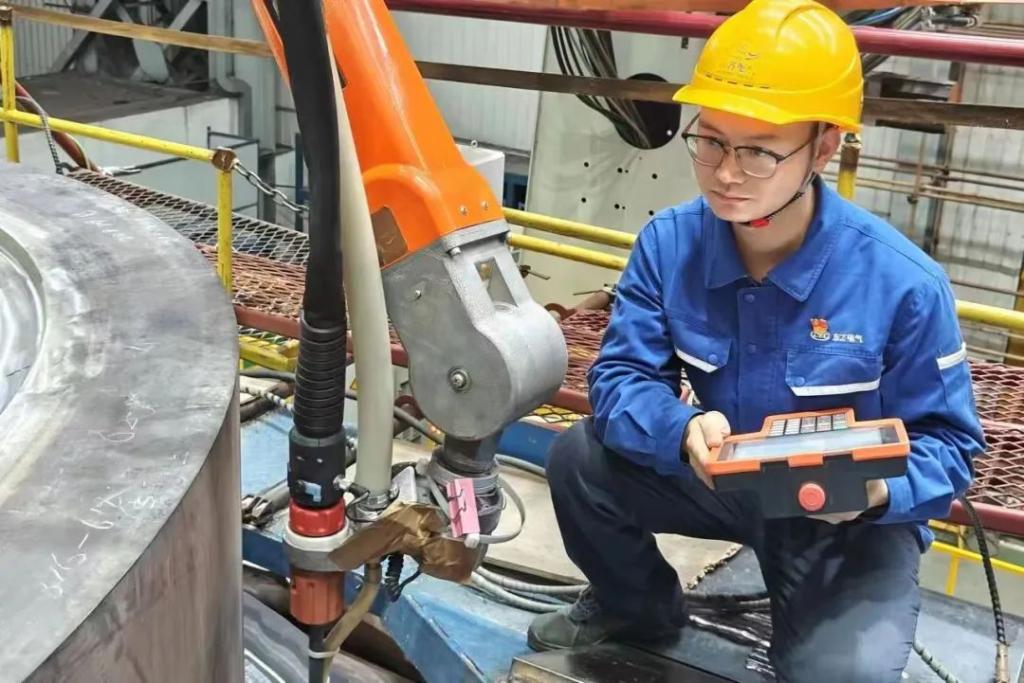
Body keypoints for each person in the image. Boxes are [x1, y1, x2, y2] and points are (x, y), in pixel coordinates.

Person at [526, 0, 985, 680]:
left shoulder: (902, 283)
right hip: (719, 478)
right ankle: (638, 609)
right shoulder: (669, 245)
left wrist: (874, 491)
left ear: (823, 147)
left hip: (846, 515)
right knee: (579, 459)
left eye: (759, 151)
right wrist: (682, 429)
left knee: (841, 676)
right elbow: (622, 378)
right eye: (710, 140)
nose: (725, 172)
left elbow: (949, 445)